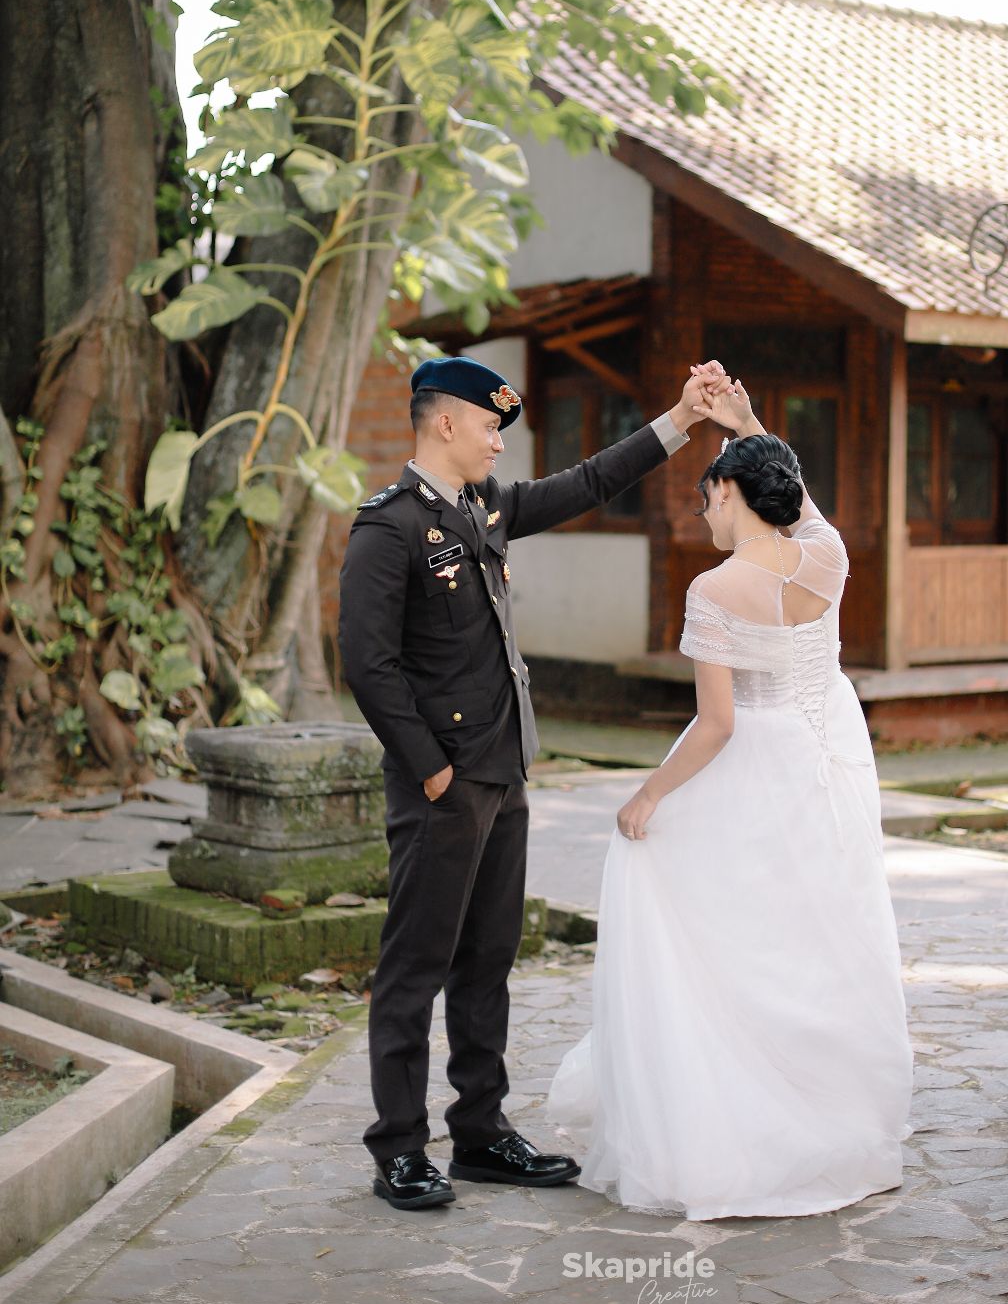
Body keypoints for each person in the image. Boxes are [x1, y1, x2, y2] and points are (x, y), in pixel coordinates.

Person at [338, 351, 723, 1211]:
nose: (497, 443)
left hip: (503, 772)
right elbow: (368, 665)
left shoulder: (484, 508)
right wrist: (431, 769)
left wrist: (681, 419)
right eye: (489, 426)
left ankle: (480, 1133)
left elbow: (589, 482)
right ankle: (399, 1147)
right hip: (444, 784)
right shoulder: (388, 529)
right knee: (415, 967)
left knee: (488, 961)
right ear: (445, 422)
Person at [546, 373, 914, 1220]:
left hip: (753, 764)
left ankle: (725, 1120)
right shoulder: (827, 555)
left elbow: (716, 726)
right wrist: (747, 424)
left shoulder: (713, 591)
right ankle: (833, 1123)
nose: (702, 513)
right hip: (826, 762)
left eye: (707, 496)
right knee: (815, 936)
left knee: (712, 922)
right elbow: (797, 497)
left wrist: (647, 796)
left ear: (730, 493)